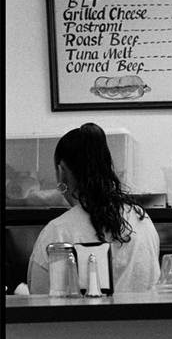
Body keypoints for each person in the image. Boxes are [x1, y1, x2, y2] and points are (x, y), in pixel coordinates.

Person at [27, 123, 160, 294]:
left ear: (61, 171)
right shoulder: (142, 219)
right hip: (144, 312)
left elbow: (39, 298)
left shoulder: (57, 231)